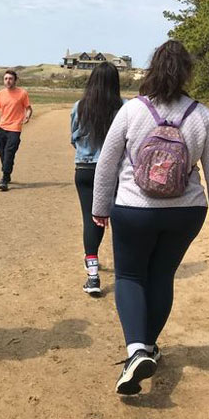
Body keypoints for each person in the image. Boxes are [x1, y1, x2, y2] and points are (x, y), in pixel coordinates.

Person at [92, 40, 209, 395]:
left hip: (133, 209)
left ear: (152, 70)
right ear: (187, 73)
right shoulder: (202, 115)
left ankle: (137, 349)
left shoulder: (132, 111)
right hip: (186, 211)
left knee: (129, 275)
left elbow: (107, 162)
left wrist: (99, 207)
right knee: (161, 276)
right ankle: (150, 346)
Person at [71, 62, 124, 296]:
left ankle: (92, 275)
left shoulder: (79, 106)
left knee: (90, 219)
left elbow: (74, 138)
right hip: (113, 171)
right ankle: (126, 271)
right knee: (117, 219)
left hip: (84, 169)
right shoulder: (125, 107)